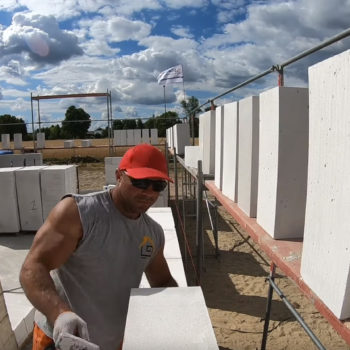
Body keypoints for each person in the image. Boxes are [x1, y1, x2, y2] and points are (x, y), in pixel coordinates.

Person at [20, 143, 178, 350]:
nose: (149, 192)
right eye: (140, 181)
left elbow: (162, 280)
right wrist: (59, 314)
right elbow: (32, 268)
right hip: (63, 340)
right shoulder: (78, 214)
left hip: (113, 341)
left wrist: (184, 309)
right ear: (119, 176)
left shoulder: (152, 233)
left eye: (158, 185)